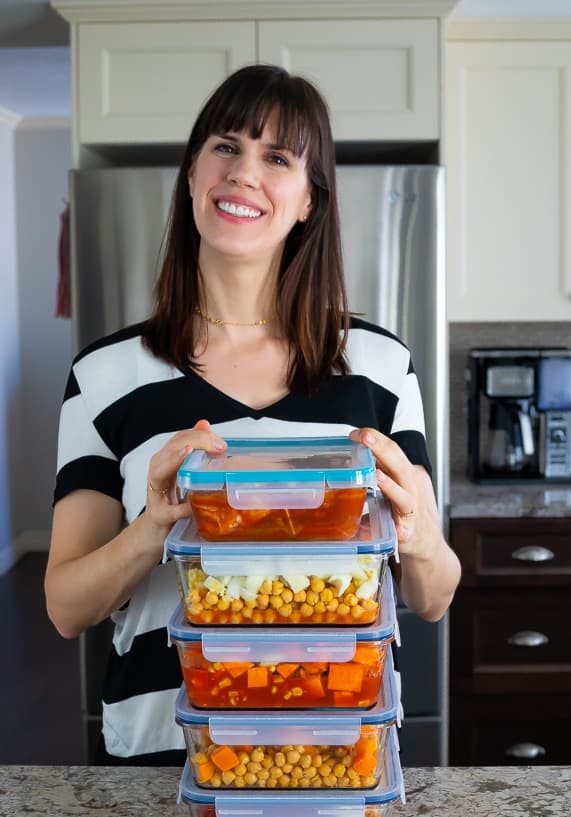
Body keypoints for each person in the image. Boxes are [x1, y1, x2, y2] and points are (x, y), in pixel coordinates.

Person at [45, 64, 461, 765]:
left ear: (308, 200)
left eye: (277, 158)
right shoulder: (104, 375)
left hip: (334, 750)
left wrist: (415, 532)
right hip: (159, 755)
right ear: (192, 172)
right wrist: (155, 525)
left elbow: (434, 594)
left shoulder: (379, 366)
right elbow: (66, 607)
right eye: (225, 146)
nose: (244, 173)